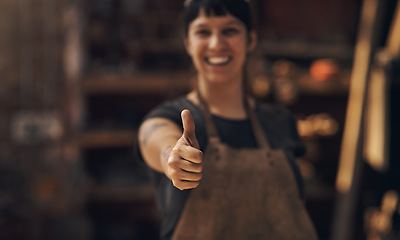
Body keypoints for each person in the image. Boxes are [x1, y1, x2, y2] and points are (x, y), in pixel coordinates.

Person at [138, 0, 318, 239]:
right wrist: (173, 158)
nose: (216, 44)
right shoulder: (172, 118)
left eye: (230, 30)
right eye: (203, 32)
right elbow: (155, 138)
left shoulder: (281, 122)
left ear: (251, 39)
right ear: (187, 43)